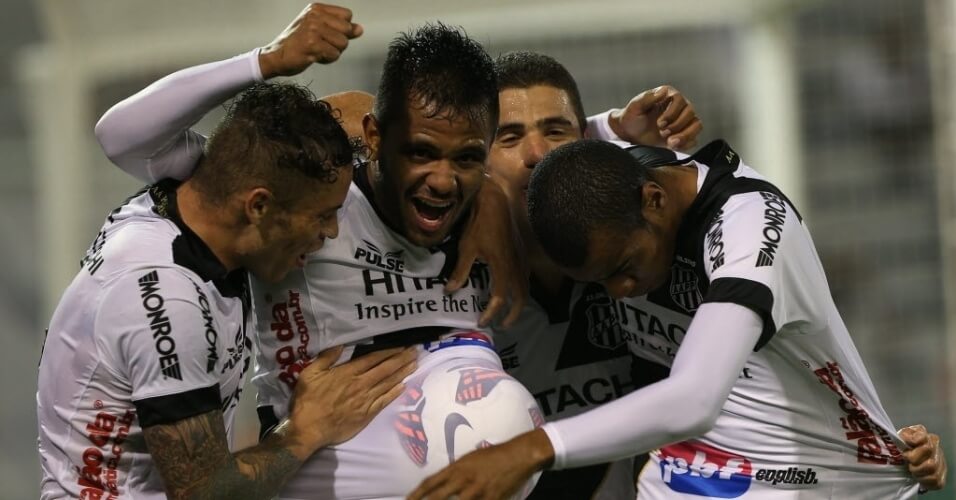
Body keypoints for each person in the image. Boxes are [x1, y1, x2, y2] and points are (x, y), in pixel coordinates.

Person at [92, 5, 544, 499]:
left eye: (466, 158)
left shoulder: (498, 200)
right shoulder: (308, 191)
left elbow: (584, 174)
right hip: (311, 455)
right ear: (373, 137)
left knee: (499, 417)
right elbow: (121, 137)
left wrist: (499, 191)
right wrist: (262, 62)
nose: (441, 179)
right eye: (420, 152)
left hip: (467, 435)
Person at [410, 137, 949, 499]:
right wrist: (482, 200)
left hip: (820, 486)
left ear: (655, 201)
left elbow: (694, 397)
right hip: (691, 475)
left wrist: (531, 449)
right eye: (599, 283)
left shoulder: (752, 226)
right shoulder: (619, 177)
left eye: (622, 269)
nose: (619, 292)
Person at [36, 71, 418, 500]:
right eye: (321, 215)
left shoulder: (197, 195)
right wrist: (306, 430)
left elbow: (342, 114)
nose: (331, 232)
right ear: (258, 205)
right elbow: (204, 493)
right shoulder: (170, 302)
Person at [488, 51, 699, 500]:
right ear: (478, 157)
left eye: (555, 131)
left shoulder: (658, 253)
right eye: (509, 137)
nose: (537, 156)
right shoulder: (449, 276)